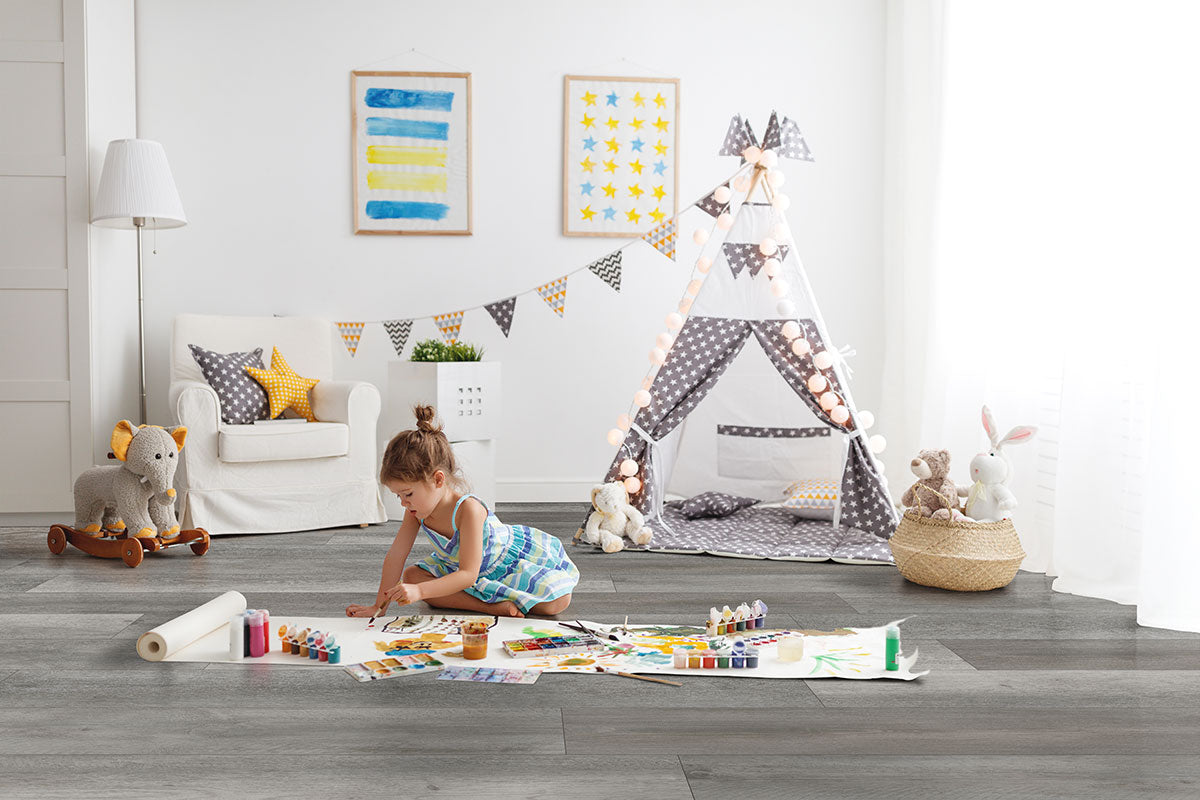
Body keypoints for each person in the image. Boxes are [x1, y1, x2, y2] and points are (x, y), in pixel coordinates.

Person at [347, 405, 579, 619]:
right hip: (458, 568)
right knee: (411, 577)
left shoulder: (469, 510)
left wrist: (421, 591)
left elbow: (469, 574)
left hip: (496, 566)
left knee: (557, 602)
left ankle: (493, 598)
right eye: (398, 496)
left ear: (438, 480)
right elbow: (396, 556)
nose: (403, 503)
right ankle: (490, 607)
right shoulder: (415, 512)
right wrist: (378, 607)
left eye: (407, 494)